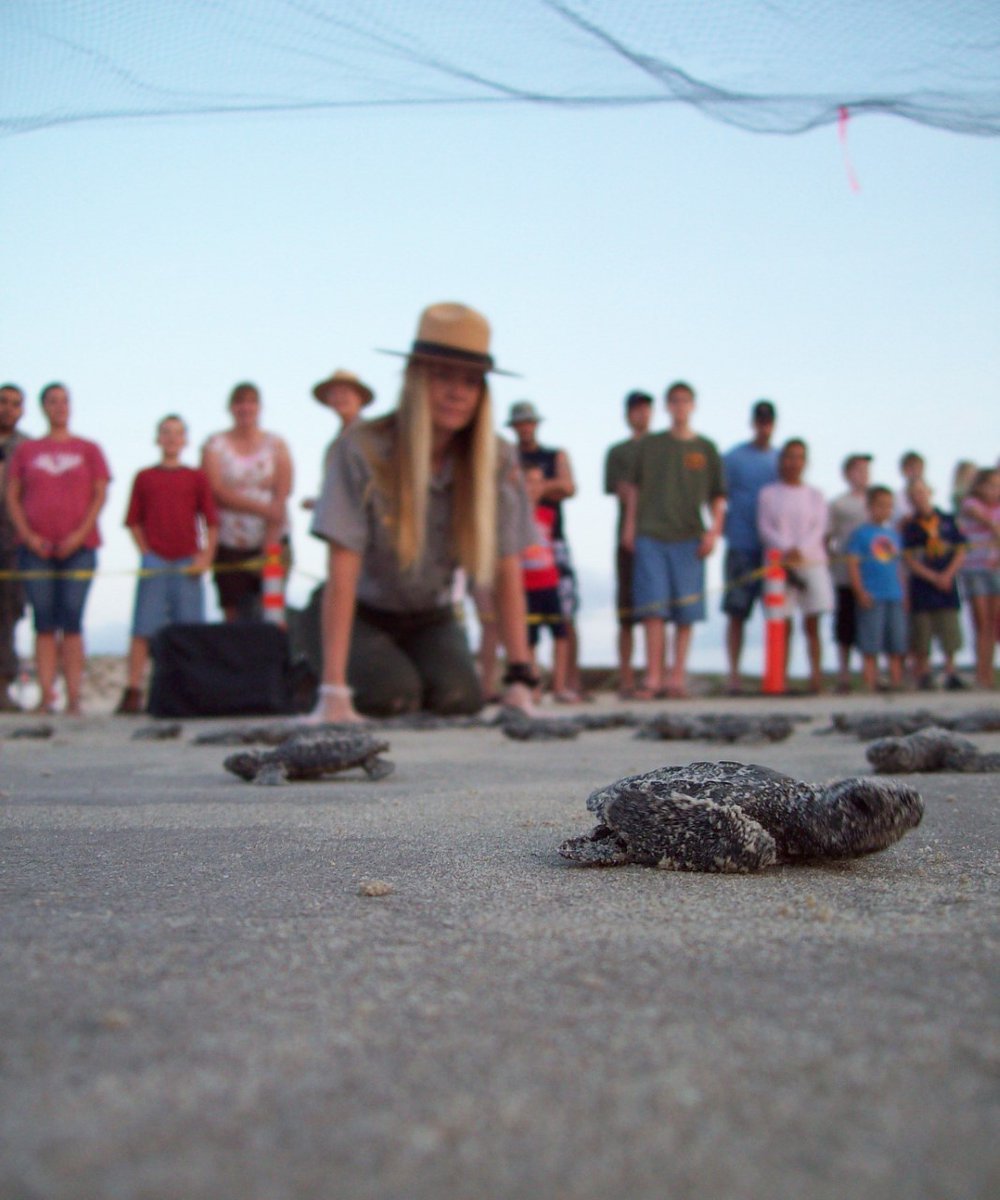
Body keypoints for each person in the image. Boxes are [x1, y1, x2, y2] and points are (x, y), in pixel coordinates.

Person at [309, 301, 537, 721]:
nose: (458, 392)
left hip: (430, 616)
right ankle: (314, 668)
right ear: (415, 378)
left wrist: (521, 677)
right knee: (392, 696)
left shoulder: (498, 458)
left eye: (471, 381)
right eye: (443, 375)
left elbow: (507, 567)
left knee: (460, 699)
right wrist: (333, 688)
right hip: (362, 611)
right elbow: (342, 566)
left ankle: (399, 668)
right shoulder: (360, 448)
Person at [5, 383, 110, 715]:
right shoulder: (27, 451)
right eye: (52, 401)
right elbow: (13, 496)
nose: (59, 407)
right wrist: (28, 535)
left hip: (80, 547)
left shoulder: (88, 449)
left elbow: (100, 494)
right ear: (43, 407)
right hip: (35, 549)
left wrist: (79, 535)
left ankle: (74, 697)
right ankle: (46, 695)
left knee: (72, 620)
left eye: (64, 401)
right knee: (44, 622)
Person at [621, 380, 726, 699]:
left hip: (689, 536)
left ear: (693, 406)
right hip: (651, 534)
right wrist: (630, 526)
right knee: (653, 609)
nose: (680, 406)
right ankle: (653, 677)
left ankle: (676, 678)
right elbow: (633, 488)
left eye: (685, 401)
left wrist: (714, 531)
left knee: (685, 611)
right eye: (675, 401)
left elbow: (718, 496)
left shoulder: (706, 448)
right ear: (667, 406)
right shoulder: (651, 445)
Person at [115, 415, 220, 714]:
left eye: (177, 433)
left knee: (191, 630)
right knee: (143, 627)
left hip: (188, 560)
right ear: (158, 438)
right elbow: (132, 520)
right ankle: (133, 690)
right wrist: (146, 552)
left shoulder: (196, 477)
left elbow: (211, 521)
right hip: (156, 561)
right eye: (166, 432)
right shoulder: (144, 477)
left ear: (185, 440)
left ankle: (194, 689)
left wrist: (205, 556)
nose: (172, 438)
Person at [507, 399, 585, 701]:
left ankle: (566, 683)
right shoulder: (508, 455)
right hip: (519, 546)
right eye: (520, 422)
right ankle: (533, 684)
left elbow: (569, 486)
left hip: (553, 544)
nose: (525, 427)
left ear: (536, 424)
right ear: (514, 427)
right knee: (526, 621)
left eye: (529, 421)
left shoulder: (554, 455)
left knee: (564, 614)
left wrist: (536, 486)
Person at [201, 383, 293, 621]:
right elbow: (214, 490)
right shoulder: (215, 444)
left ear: (259, 407)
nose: (245, 408)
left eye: (251, 402)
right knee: (233, 614)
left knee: (273, 611)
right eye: (240, 402)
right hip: (229, 543)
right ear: (231, 408)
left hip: (271, 541)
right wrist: (262, 509)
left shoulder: (276, 444)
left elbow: (283, 489)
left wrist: (271, 539)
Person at [757, 438, 834, 694]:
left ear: (806, 462)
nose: (793, 462)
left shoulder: (815, 495)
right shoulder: (768, 494)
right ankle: (781, 678)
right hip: (779, 565)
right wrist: (786, 549)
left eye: (799, 457)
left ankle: (816, 678)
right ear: (781, 461)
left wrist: (800, 549)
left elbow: (819, 527)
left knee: (812, 622)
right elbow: (765, 527)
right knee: (782, 623)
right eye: (789, 456)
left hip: (811, 560)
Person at [720, 399, 779, 694]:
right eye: (760, 421)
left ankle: (776, 676)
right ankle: (734, 676)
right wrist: (721, 529)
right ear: (753, 423)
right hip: (741, 544)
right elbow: (718, 497)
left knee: (777, 614)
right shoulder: (733, 458)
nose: (764, 427)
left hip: (774, 550)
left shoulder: (781, 460)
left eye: (768, 421)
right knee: (736, 612)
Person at [603, 390, 653, 698]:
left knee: (656, 612)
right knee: (626, 612)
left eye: (646, 409)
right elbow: (621, 489)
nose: (641, 414)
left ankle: (654, 677)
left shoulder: (663, 449)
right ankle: (626, 678)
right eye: (635, 409)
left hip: (660, 536)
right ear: (627, 414)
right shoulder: (618, 452)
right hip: (628, 537)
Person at [901, 479, 967, 691]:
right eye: (914, 494)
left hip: (947, 582)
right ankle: (924, 673)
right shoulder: (910, 526)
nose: (919, 497)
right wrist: (932, 577)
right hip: (922, 584)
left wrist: (947, 575)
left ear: (930, 492)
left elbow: (961, 548)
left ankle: (951, 671)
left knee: (949, 628)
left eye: (922, 492)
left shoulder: (947, 520)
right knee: (922, 631)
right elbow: (908, 558)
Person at [847, 485, 907, 693]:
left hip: (894, 594)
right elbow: (853, 564)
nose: (885, 510)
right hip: (872, 594)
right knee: (870, 642)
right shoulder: (861, 534)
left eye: (889, 506)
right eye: (880, 505)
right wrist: (859, 591)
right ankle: (870, 682)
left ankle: (896, 682)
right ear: (870, 507)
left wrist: (903, 592)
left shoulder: (894, 535)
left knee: (896, 641)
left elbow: (898, 565)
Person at [521, 466, 571, 698]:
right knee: (529, 639)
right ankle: (534, 687)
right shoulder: (514, 516)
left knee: (560, 633)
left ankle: (559, 686)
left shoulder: (549, 513)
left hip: (549, 582)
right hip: (525, 586)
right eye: (529, 481)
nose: (534, 487)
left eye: (538, 482)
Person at [826, 453, 873, 693]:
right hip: (845, 574)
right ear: (846, 474)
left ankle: (870, 675)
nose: (863, 474)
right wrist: (832, 561)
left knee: (872, 624)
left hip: (874, 575)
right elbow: (827, 536)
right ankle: (844, 674)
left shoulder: (878, 501)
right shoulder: (838, 504)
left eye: (866, 470)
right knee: (845, 625)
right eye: (858, 469)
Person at [302, 369, 374, 511]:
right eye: (333, 393)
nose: (339, 398)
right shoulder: (334, 445)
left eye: (344, 392)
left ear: (359, 397)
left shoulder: (369, 436)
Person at [956, 467, 1000, 688]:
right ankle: (980, 672)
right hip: (975, 569)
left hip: (995, 569)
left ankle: (988, 674)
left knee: (992, 624)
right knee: (981, 622)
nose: (995, 490)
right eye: (990, 485)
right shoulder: (970, 504)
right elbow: (986, 522)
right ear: (979, 486)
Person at [0, 384, 30, 710]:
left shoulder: (27, 447)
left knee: (7, 612)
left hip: (12, 539)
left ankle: (3, 686)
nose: (8, 409)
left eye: (15, 404)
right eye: (3, 402)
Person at [894, 450, 926, 525]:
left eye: (918, 468)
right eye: (912, 468)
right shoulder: (897, 498)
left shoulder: (928, 494)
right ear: (903, 470)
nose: (916, 472)